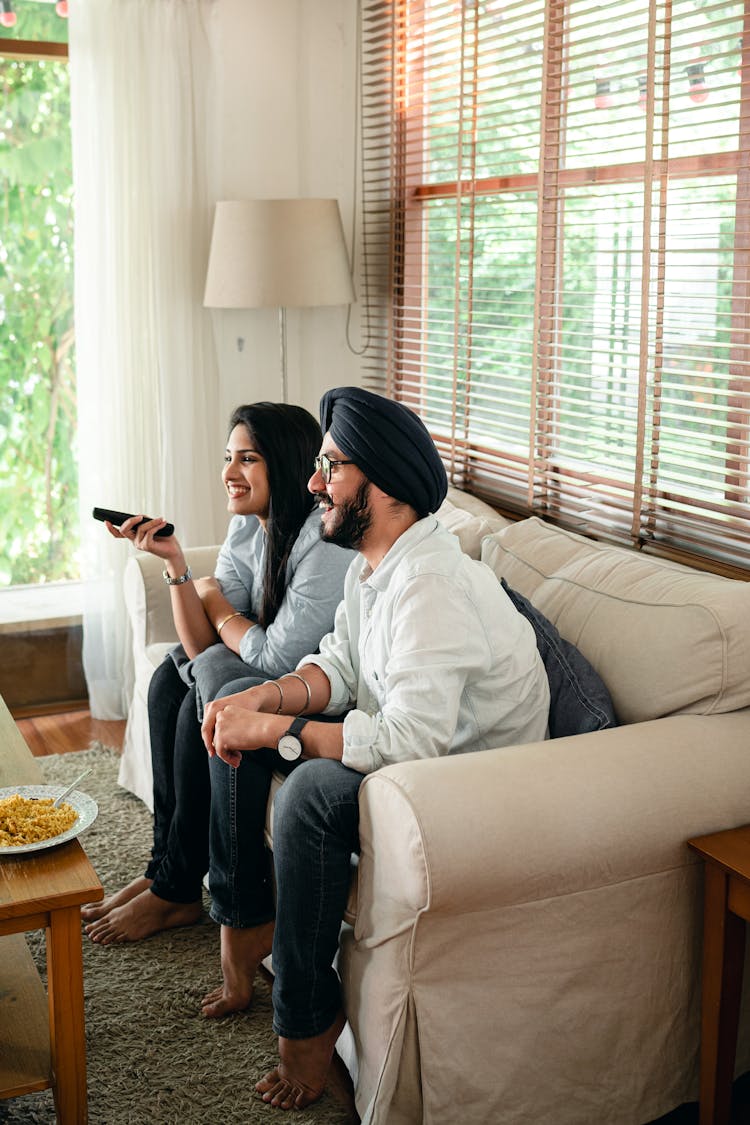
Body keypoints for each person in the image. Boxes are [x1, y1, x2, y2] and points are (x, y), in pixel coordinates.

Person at [199, 385, 551, 1109]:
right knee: (232, 708)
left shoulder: (431, 583)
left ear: (380, 483)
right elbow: (342, 666)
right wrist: (266, 699)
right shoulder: (375, 567)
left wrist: (276, 729)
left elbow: (410, 739)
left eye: (329, 467)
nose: (311, 483)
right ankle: (241, 917)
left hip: (471, 786)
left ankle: (305, 1017)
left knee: (308, 790)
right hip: (417, 758)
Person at [82, 401, 354, 945]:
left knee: (199, 697)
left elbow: (278, 658)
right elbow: (203, 645)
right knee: (169, 678)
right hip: (265, 669)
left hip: (310, 692)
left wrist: (218, 603)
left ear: (284, 461)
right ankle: (167, 871)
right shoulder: (251, 530)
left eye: (247, 459)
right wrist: (179, 567)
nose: (229, 473)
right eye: (228, 458)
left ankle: (177, 891)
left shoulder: (322, 543)